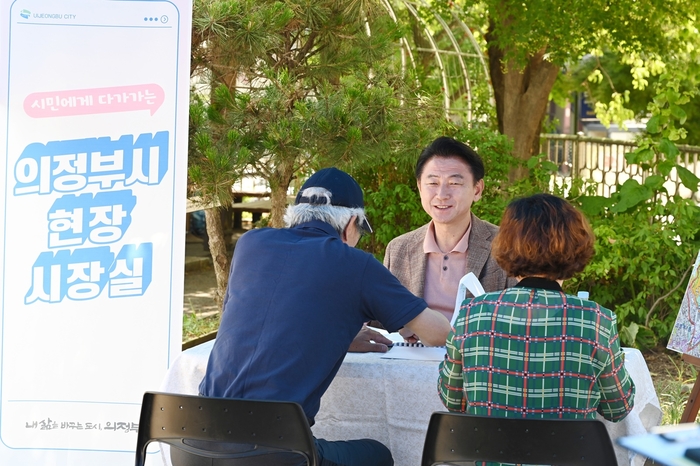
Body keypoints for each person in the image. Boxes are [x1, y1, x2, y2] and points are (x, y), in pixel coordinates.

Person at [193, 167, 451, 466]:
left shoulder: (251, 244)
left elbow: (265, 312)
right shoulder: (355, 264)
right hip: (271, 453)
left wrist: (337, 332)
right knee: (378, 455)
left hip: (191, 441)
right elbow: (439, 333)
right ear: (351, 222)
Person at [438, 194, 635, 432]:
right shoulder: (596, 320)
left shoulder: (472, 313)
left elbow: (453, 400)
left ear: (506, 244)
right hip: (570, 458)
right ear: (576, 245)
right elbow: (618, 408)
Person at [384, 137, 516, 327]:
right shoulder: (398, 249)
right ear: (420, 187)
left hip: (476, 355)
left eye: (454, 183)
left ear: (477, 190)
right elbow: (383, 322)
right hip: (412, 355)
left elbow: (519, 320)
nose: (442, 194)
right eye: (433, 183)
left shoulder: (506, 246)